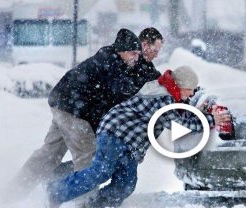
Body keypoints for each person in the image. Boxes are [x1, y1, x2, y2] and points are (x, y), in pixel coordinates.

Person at [47, 66, 231, 208]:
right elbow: (180, 122)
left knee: (126, 183)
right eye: (189, 90)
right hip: (114, 132)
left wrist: (205, 111)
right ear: (180, 86)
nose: (190, 95)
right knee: (100, 172)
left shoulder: (169, 92)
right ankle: (55, 192)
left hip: (130, 143)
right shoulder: (163, 98)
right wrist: (212, 120)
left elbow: (182, 110)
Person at [9, 29, 145, 198]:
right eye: (133, 53)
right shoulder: (111, 66)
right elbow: (112, 100)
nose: (136, 58)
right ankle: (84, 205)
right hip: (73, 111)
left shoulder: (110, 60)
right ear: (121, 50)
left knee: (49, 154)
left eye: (138, 54)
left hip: (62, 104)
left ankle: (13, 193)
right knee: (88, 155)